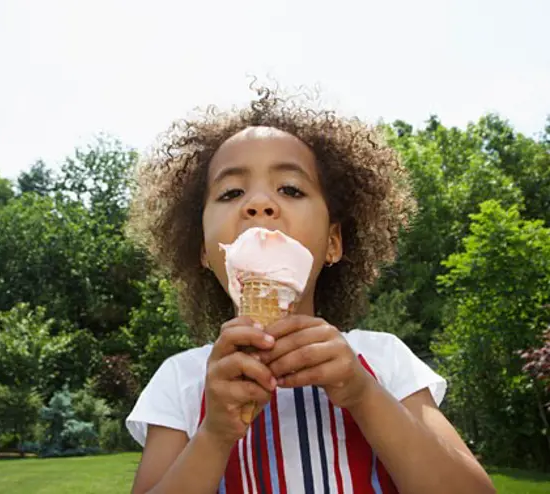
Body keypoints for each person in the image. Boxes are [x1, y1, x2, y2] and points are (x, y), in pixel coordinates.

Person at [124, 84, 495, 494]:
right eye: (231, 192)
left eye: (290, 189)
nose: (259, 203)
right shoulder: (182, 380)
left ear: (333, 242)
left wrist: (362, 393)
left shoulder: (382, 361)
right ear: (203, 251)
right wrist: (213, 434)